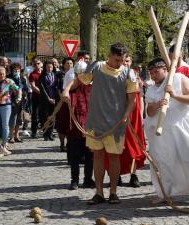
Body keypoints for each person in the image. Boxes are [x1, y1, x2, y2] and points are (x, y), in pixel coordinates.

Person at [146, 58, 189, 205]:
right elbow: (149, 112)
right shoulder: (151, 89)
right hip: (163, 131)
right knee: (163, 161)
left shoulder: (179, 78)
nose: (153, 75)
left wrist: (174, 94)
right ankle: (164, 193)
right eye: (151, 73)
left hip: (185, 127)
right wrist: (157, 104)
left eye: (156, 72)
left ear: (165, 69)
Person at [77, 43, 137, 205]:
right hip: (96, 120)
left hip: (116, 123)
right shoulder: (96, 67)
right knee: (97, 155)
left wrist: (126, 115)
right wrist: (66, 90)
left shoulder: (128, 73)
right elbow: (81, 80)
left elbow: (132, 100)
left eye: (122, 60)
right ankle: (99, 192)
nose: (120, 63)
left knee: (114, 157)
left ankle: (113, 192)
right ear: (109, 55)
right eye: (117, 59)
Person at [105, 55, 146, 187]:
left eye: (127, 61)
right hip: (117, 116)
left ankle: (133, 174)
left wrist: (140, 115)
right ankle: (115, 175)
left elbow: (140, 98)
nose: (125, 64)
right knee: (117, 145)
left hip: (133, 116)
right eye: (123, 61)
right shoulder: (114, 76)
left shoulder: (135, 76)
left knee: (133, 145)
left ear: (131, 62)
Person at [62, 59, 94, 190]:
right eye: (79, 73)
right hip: (75, 126)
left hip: (90, 126)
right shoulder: (72, 87)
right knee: (74, 155)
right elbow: (66, 92)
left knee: (90, 155)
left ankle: (88, 179)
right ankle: (74, 180)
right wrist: (66, 92)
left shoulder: (93, 87)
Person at [0, 66, 21, 149]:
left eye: (4, 73)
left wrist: (18, 98)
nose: (2, 75)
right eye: (0, 73)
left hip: (6, 105)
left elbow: (18, 89)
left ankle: (5, 142)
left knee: (5, 125)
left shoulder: (9, 81)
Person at [55, 57, 73, 151]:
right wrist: (62, 97)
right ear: (63, 65)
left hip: (72, 102)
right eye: (67, 63)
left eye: (71, 63)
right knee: (61, 123)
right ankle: (62, 143)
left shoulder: (75, 74)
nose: (69, 65)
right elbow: (57, 88)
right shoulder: (59, 75)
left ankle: (70, 143)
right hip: (62, 102)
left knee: (70, 123)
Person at [8, 63, 28, 143]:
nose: (16, 71)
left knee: (19, 120)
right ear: (12, 71)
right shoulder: (9, 78)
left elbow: (25, 88)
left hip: (21, 101)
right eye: (15, 70)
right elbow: (7, 90)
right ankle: (11, 136)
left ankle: (17, 135)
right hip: (13, 100)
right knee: (13, 119)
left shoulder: (22, 78)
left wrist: (24, 93)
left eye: (18, 70)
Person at [38, 61, 57, 141]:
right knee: (45, 117)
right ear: (45, 67)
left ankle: (50, 133)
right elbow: (42, 89)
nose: (49, 69)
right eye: (48, 67)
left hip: (54, 99)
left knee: (53, 116)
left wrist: (55, 98)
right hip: (45, 99)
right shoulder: (42, 77)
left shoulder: (55, 76)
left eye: (51, 67)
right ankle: (45, 134)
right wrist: (48, 98)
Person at [29, 58, 42, 138]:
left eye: (38, 63)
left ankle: (47, 132)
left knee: (45, 115)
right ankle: (34, 131)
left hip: (46, 98)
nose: (37, 65)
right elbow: (33, 86)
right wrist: (42, 93)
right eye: (35, 64)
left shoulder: (44, 73)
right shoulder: (32, 74)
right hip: (36, 97)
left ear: (41, 64)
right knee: (35, 115)